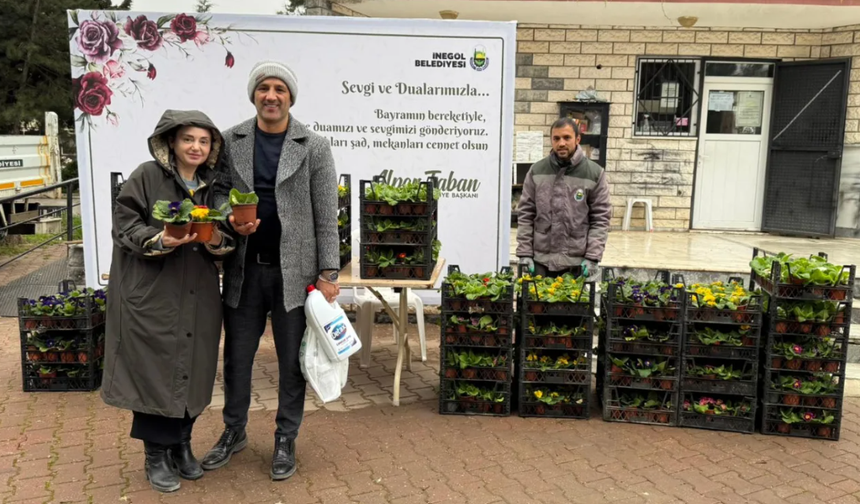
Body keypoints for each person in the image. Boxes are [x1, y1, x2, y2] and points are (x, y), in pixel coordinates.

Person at [201, 60, 340, 481]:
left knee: (291, 361)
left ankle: (285, 437)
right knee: (237, 358)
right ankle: (233, 430)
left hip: (294, 276)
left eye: (280, 88)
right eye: (264, 88)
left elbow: (326, 214)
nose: (271, 96)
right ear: (254, 95)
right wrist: (229, 218)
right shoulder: (230, 140)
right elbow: (218, 194)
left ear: (290, 97)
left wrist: (329, 272)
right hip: (244, 270)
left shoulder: (313, 146)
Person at [101, 110, 234, 493]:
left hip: (200, 294)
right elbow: (124, 225)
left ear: (212, 148)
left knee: (194, 366)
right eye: (188, 139)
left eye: (204, 141)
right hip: (153, 294)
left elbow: (225, 239)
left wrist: (216, 240)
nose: (196, 147)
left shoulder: (211, 187)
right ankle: (155, 454)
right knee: (153, 372)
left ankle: (181, 444)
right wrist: (160, 239)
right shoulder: (146, 176)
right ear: (171, 143)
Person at [516, 117, 611, 280]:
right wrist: (525, 253)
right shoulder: (537, 171)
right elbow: (526, 214)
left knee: (573, 306)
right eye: (556, 138)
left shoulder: (594, 173)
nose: (561, 143)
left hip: (577, 264)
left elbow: (600, 218)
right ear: (551, 140)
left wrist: (592, 256)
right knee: (535, 305)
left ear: (578, 139)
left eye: (567, 138)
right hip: (540, 262)